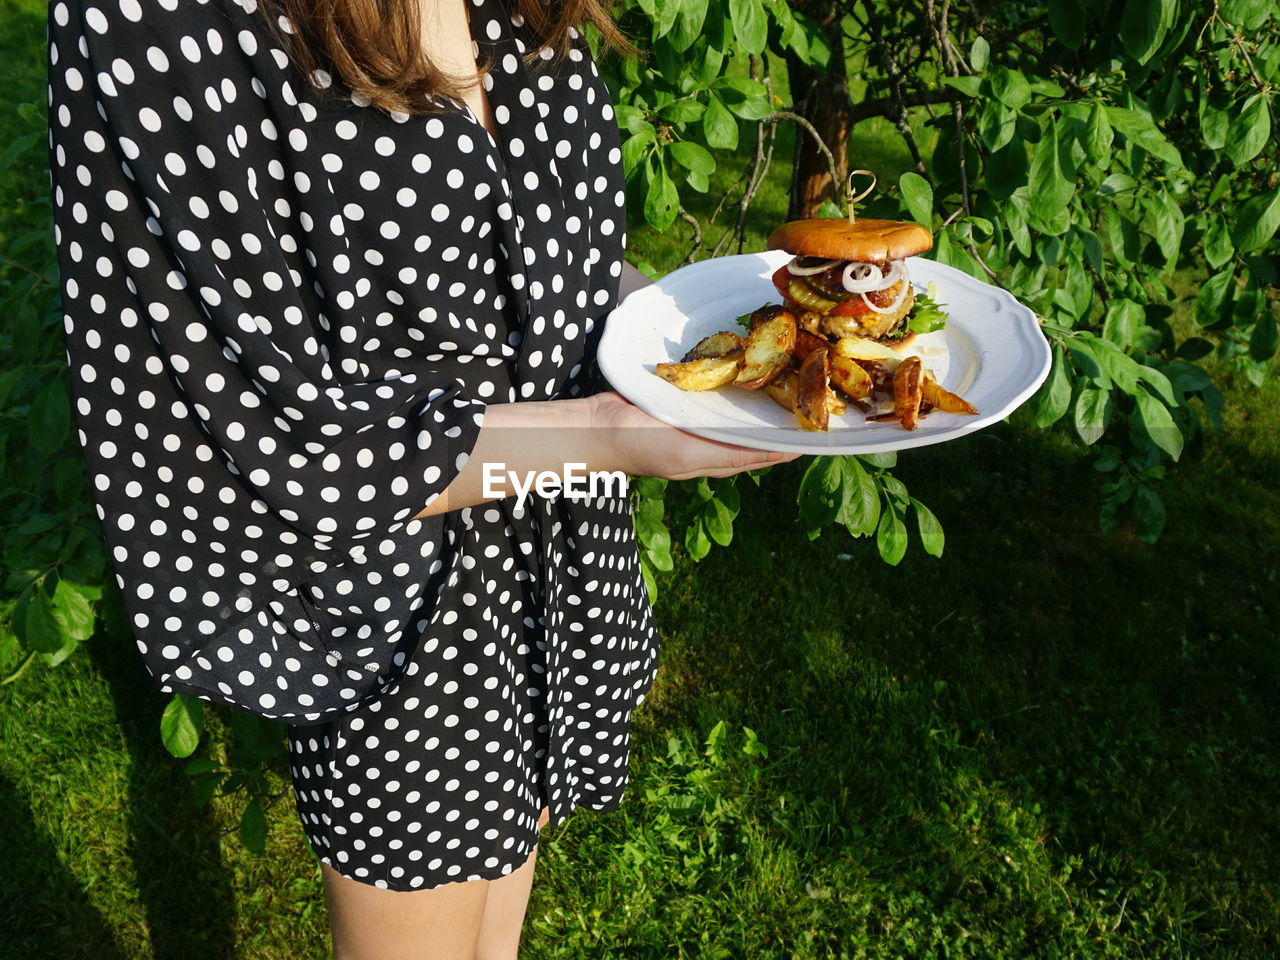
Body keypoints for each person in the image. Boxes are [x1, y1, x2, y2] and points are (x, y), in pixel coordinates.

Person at [47, 0, 800, 956]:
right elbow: (270, 445)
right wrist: (613, 436)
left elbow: (549, 250)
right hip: (401, 617)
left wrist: (687, 336)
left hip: (556, 560)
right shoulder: (154, 18)